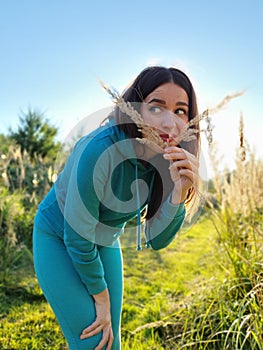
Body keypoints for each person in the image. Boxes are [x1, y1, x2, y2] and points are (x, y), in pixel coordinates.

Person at [33, 66, 200, 350]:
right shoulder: (98, 150)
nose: (170, 122)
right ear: (135, 107)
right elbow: (77, 236)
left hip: (104, 239)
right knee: (94, 341)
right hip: (59, 236)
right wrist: (102, 297)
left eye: (181, 110)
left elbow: (158, 240)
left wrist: (179, 191)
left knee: (113, 343)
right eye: (157, 107)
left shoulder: (167, 160)